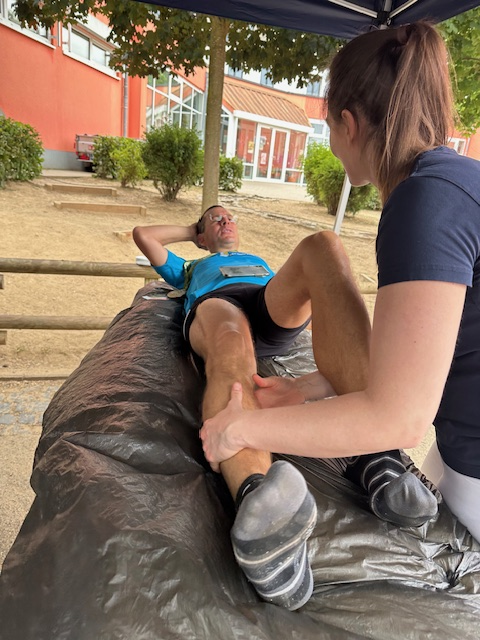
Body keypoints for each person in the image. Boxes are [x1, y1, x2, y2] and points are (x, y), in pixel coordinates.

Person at [199, 21, 480, 548]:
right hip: (461, 450)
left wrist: (237, 429)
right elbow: (431, 353)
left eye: (328, 127)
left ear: (348, 124)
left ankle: (270, 517)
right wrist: (312, 387)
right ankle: (323, 483)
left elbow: (400, 418)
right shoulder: (460, 181)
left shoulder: (427, 202)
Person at [133, 200, 438, 610]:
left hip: (264, 301)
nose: (225, 221)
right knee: (231, 344)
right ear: (202, 236)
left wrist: (214, 224)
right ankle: (261, 512)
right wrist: (194, 230)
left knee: (323, 246)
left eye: (229, 217)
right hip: (218, 303)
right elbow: (144, 236)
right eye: (215, 219)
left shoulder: (256, 261)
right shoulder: (190, 267)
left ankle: (377, 458)